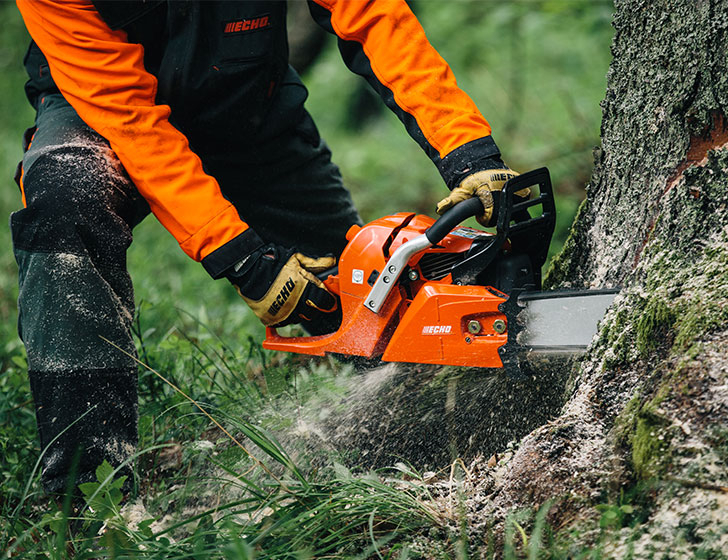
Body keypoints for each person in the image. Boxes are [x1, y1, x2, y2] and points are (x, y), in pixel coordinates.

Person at [13, 0, 519, 496]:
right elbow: (130, 119)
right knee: (65, 202)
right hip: (100, 113)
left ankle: (451, 429)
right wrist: (245, 261)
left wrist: (468, 153)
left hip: (248, 104)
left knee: (370, 301)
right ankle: (87, 492)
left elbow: (371, 13)